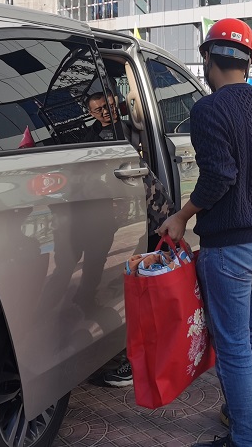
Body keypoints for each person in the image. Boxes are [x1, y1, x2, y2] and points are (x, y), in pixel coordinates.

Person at [157, 18, 252, 447]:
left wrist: (182, 215)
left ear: (207, 58)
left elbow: (219, 176)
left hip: (232, 246)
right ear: (248, 61)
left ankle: (246, 438)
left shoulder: (208, 109)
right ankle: (251, 419)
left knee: (234, 345)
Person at [85, 90, 175, 388]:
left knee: (148, 282)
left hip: (148, 214)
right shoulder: (88, 138)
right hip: (122, 215)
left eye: (109, 105)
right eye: (98, 109)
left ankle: (141, 359)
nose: (105, 111)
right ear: (90, 112)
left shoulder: (135, 129)